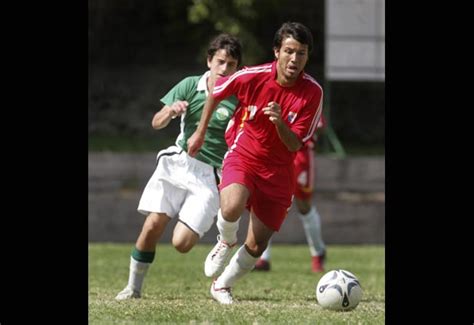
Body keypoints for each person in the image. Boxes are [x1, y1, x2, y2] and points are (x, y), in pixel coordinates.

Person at [187, 22, 323, 304]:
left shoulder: (313, 92)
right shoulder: (253, 76)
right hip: (245, 153)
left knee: (257, 244)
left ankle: (222, 285)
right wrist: (199, 133)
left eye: (301, 53)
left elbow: (295, 144)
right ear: (277, 51)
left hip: (280, 169)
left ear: (307, 57)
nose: (294, 60)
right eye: (289, 51)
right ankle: (225, 240)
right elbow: (216, 91)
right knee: (232, 205)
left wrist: (280, 122)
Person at [115, 33, 242, 300]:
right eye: (220, 61)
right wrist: (171, 111)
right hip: (178, 164)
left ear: (237, 68)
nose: (224, 69)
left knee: (181, 244)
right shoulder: (189, 85)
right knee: (153, 225)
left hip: (209, 175)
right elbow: (156, 122)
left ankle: (225, 243)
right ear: (209, 61)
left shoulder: (238, 98)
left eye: (231, 64)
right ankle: (133, 288)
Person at [254, 115, 327, 273]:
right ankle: (263, 257)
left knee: (303, 206)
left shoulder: (308, 92)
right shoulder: (271, 93)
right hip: (273, 153)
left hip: (300, 155)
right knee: (267, 202)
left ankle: (318, 252)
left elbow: (320, 125)